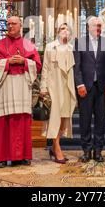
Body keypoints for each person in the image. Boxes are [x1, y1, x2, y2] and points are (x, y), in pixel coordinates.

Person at [0, 16, 41, 168]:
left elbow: (37, 65)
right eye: (8, 24)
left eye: (14, 24)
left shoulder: (28, 45)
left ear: (20, 26)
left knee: (21, 121)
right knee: (3, 121)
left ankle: (21, 156)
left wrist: (24, 61)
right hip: (5, 85)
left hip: (22, 85)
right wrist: (7, 61)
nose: (10, 26)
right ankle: (2, 157)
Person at [74, 16, 105, 163]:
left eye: (99, 26)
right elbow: (77, 66)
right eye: (95, 26)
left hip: (102, 88)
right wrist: (79, 84)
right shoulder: (80, 42)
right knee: (84, 120)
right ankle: (86, 150)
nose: (97, 28)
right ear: (88, 27)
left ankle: (98, 151)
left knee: (100, 121)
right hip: (85, 87)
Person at [40, 23, 77, 164]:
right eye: (62, 29)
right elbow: (45, 68)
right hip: (54, 86)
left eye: (67, 29)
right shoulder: (51, 46)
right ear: (57, 32)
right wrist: (43, 87)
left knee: (64, 118)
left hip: (67, 86)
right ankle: (57, 148)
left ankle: (56, 145)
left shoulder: (72, 48)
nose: (65, 31)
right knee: (54, 117)